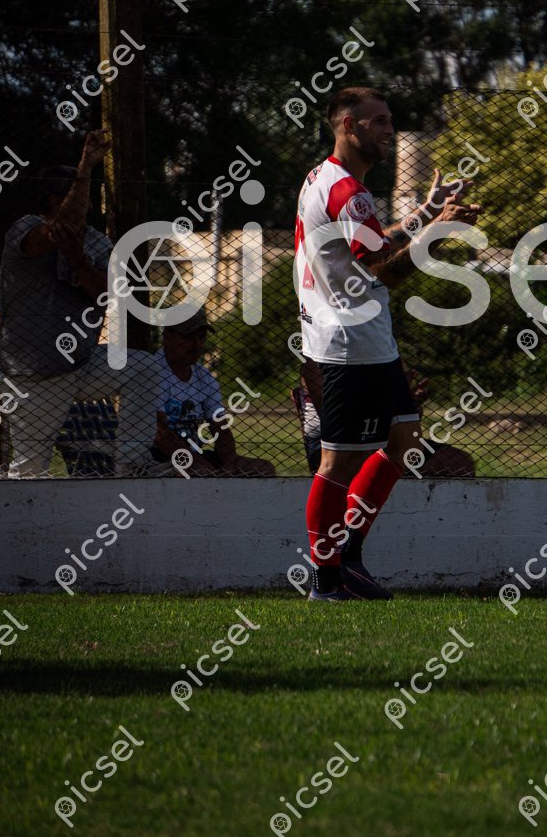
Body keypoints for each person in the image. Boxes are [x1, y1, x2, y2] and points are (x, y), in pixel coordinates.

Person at [294, 85, 480, 601]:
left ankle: (348, 554)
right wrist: (438, 231)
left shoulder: (329, 179)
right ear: (347, 125)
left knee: (404, 441)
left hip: (369, 338)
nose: (389, 131)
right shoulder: (346, 189)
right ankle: (326, 577)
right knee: (337, 464)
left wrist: (426, 210)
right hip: (347, 342)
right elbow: (387, 270)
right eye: (378, 121)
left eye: (390, 120)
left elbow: (375, 243)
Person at [0, 131, 160, 477]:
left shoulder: (96, 241)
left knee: (142, 368)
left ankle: (131, 463)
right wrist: (86, 166)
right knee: (29, 473)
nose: (88, 204)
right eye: (80, 194)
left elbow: (107, 295)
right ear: (55, 199)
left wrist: (79, 260)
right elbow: (60, 228)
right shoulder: (25, 229)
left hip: (81, 363)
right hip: (35, 373)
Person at [292, 358, 476, 478]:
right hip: (335, 443)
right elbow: (339, 418)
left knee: (460, 462)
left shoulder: (383, 351)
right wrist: (385, 396)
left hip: (382, 433)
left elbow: (409, 419)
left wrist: (408, 402)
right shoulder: (318, 359)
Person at [150, 310, 275, 477]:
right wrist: (201, 465)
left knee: (264, 468)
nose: (197, 345)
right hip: (158, 458)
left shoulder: (203, 376)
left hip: (195, 455)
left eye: (201, 338)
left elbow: (220, 428)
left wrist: (229, 466)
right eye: (188, 337)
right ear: (168, 336)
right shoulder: (152, 373)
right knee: (201, 472)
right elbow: (160, 435)